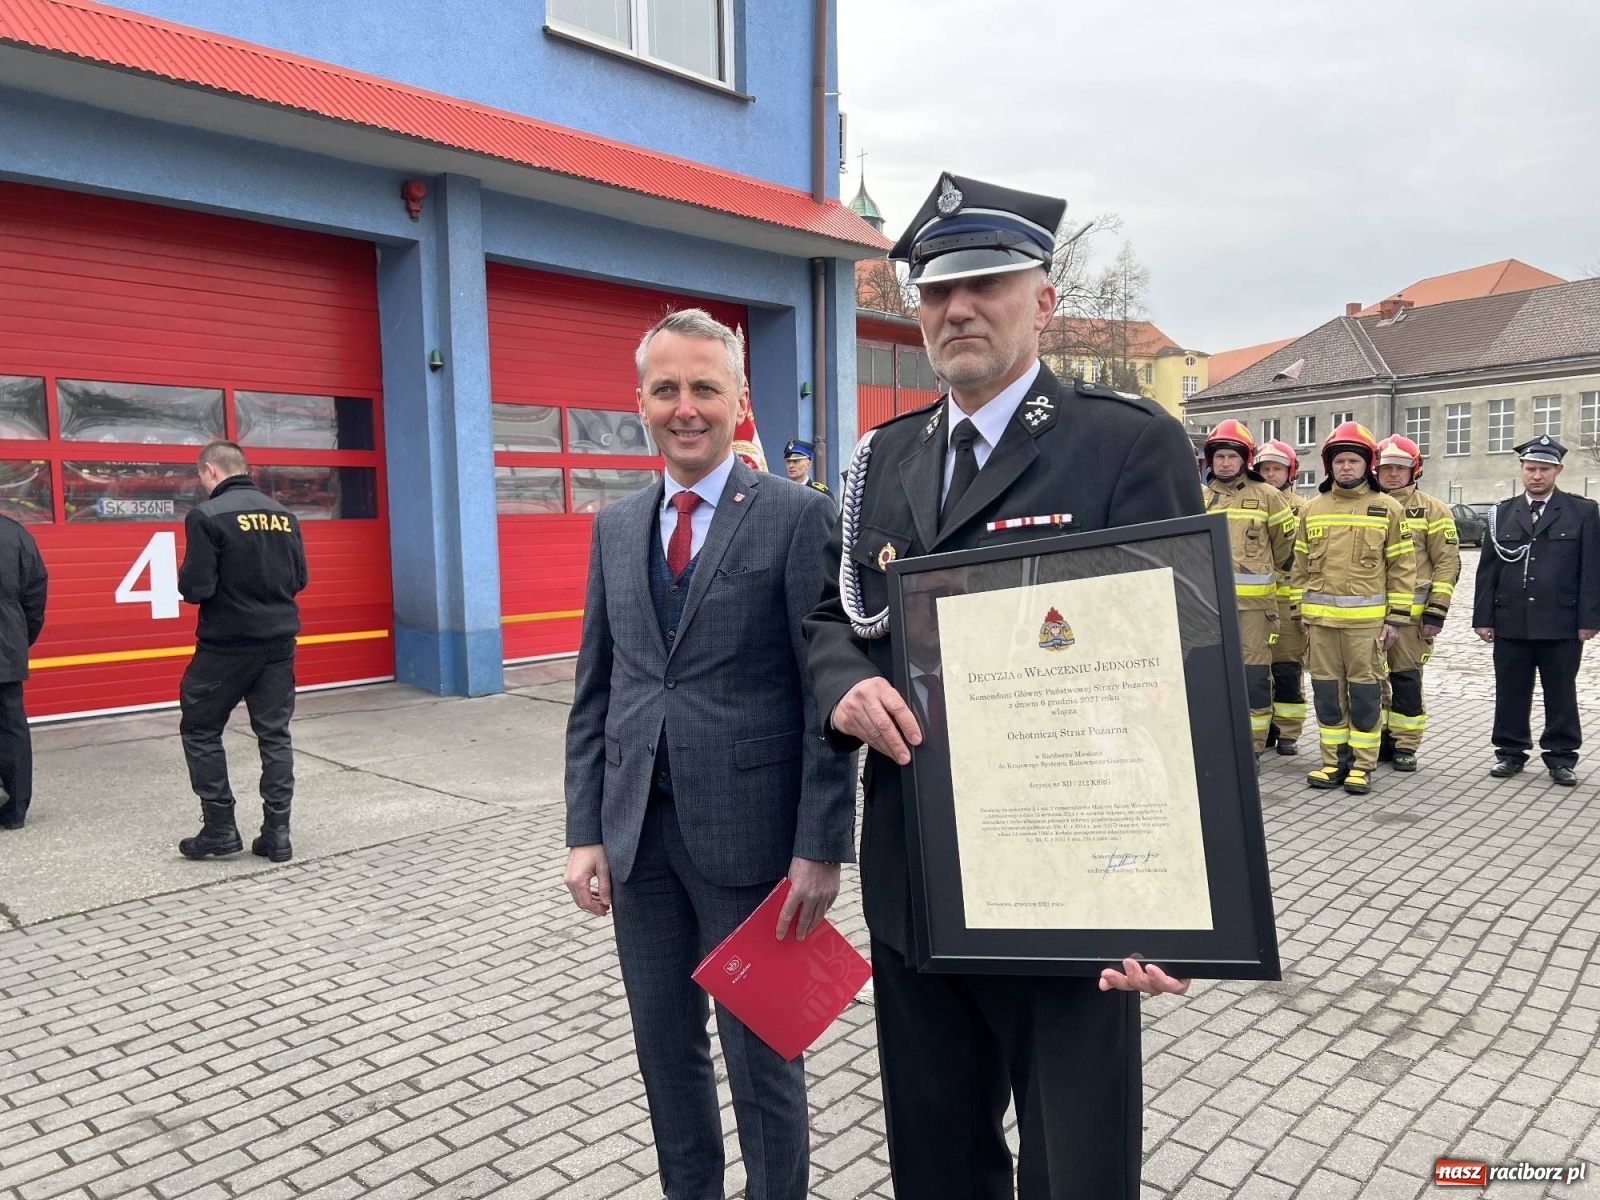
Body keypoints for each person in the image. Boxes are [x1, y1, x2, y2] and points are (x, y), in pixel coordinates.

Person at [804, 173, 1198, 1200]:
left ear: (1043, 301)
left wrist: (1174, 901)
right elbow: (829, 619)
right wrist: (842, 685)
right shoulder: (883, 459)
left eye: (985, 283)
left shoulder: (1123, 445)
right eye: (936, 292)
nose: (957, 310)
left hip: (1070, 890)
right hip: (917, 882)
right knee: (935, 1163)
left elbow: (1175, 671)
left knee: (1077, 1167)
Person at [563, 309, 853, 1200]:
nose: (685, 408)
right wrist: (585, 831)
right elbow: (596, 687)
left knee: (763, 1062)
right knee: (665, 1054)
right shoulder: (616, 526)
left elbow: (825, 697)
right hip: (637, 839)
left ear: (739, 401)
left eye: (703, 388)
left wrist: (820, 846)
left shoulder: (799, 517)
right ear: (639, 402)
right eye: (666, 389)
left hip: (754, 843)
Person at [175, 441, 308, 862]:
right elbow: (300, 578)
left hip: (226, 646)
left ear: (211, 470)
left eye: (201, 475)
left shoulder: (206, 516)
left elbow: (196, 588)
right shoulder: (285, 516)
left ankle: (219, 829)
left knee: (200, 730)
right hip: (279, 643)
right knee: (274, 734)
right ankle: (278, 833)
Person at [1291, 422, 1415, 795]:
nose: (1347, 468)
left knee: (1364, 696)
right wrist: (1300, 613)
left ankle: (1362, 766)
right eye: (1341, 461)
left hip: (1366, 628)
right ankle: (1332, 762)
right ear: (1330, 465)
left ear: (1367, 466)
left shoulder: (1388, 508)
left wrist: (1396, 619)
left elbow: (1403, 567)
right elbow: (1298, 567)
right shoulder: (1313, 509)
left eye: (1354, 461)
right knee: (1327, 694)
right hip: (1322, 626)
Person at [1473, 435, 1600, 786]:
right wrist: (1483, 618)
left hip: (1561, 622)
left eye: (1544, 469)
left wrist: (1589, 620)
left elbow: (1592, 569)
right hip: (1511, 619)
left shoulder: (1583, 511)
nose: (1537, 475)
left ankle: (1561, 757)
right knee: (1510, 690)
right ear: (1522, 469)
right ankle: (1510, 753)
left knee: (1561, 691)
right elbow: (1488, 571)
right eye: (1531, 468)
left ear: (1558, 470)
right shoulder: (1501, 513)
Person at [1202, 420, 1295, 760]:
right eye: (1219, 456)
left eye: (1232, 456)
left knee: (1254, 676)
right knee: (1212, 675)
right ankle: (1218, 741)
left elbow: (1288, 549)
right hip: (1209, 607)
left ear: (1245, 460)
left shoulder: (1269, 497)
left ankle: (1251, 749)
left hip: (1256, 610)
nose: (1225, 463)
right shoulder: (1199, 498)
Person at [1374, 435, 1460, 771]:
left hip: (1412, 617)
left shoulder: (1432, 509)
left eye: (1400, 468)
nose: (1393, 474)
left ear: (1415, 470)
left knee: (1406, 679)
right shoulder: (1368, 504)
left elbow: (1447, 563)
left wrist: (1436, 612)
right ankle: (1377, 738)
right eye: (1386, 468)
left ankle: (1405, 745)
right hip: (1369, 614)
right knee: (1371, 681)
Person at [1254, 439, 1308, 755]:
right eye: (1265, 468)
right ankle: (1264, 729)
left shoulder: (1305, 508)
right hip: (1256, 604)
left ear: (1290, 473)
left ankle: (1288, 732)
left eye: (1277, 468)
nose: (1271, 474)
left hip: (1288, 604)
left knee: (1287, 669)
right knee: (1258, 670)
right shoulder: (1249, 503)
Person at [0, 514, 47, 830]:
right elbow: (35, 593)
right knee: (11, 726)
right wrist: (19, 637)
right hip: (6, 647)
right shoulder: (13, 534)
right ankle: (15, 809)